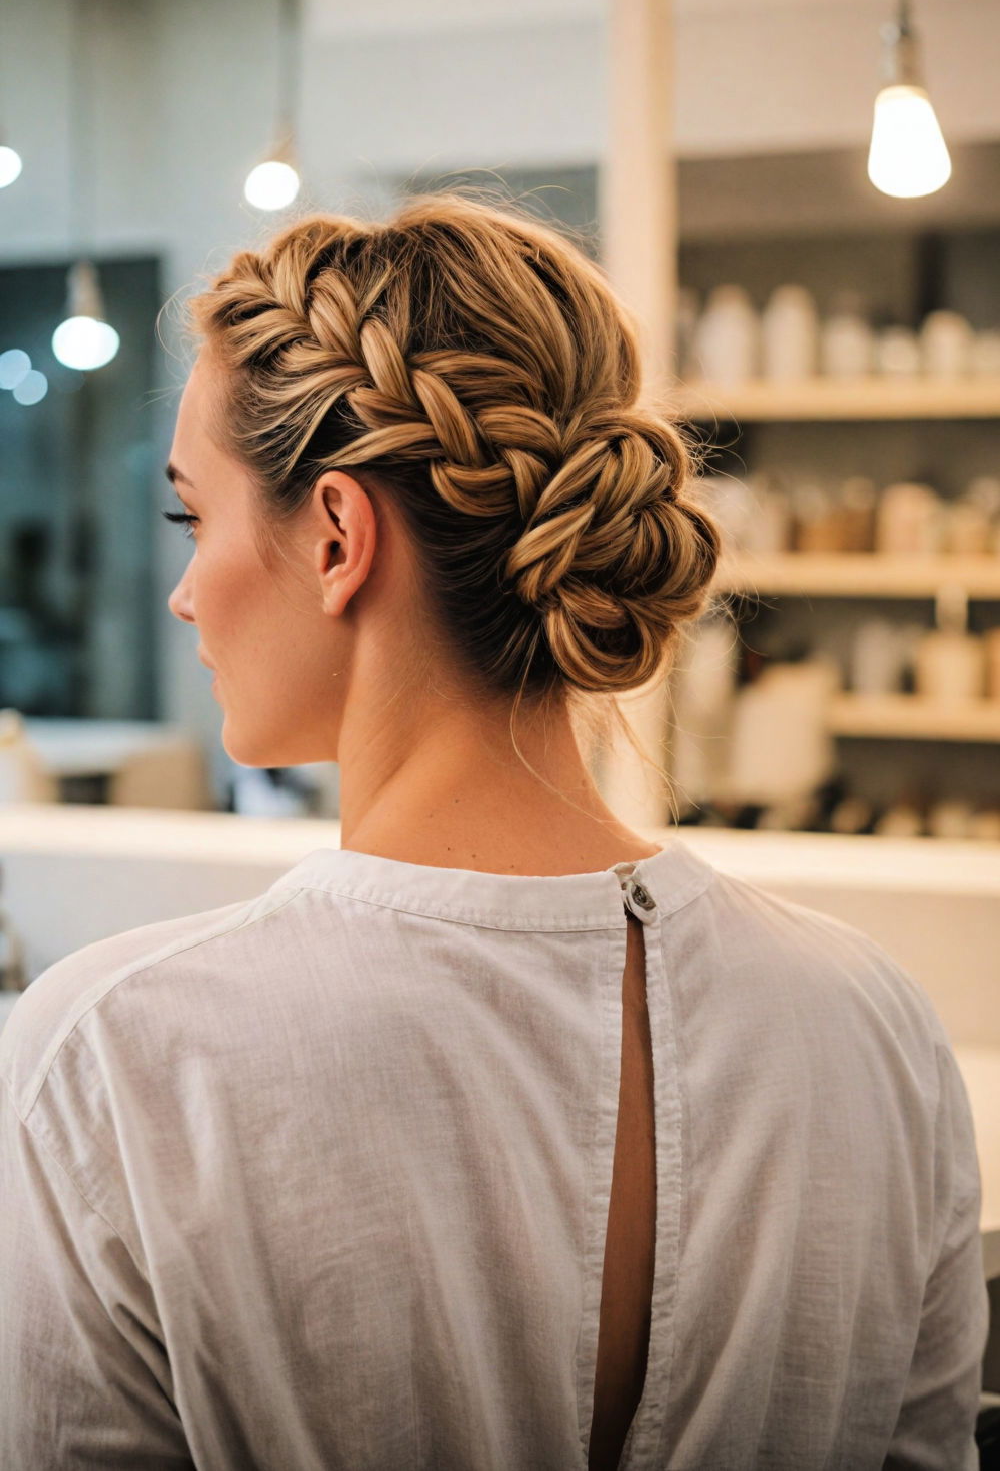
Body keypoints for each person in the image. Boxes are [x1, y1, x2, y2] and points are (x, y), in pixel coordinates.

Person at [0, 192, 988, 1471]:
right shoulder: (876, 1027)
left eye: (197, 518)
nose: (185, 593)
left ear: (342, 536)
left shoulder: (120, 1062)